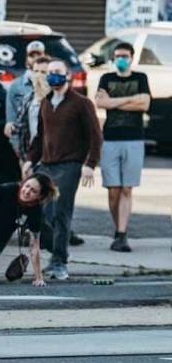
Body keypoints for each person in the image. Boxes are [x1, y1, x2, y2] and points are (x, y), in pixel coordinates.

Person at [23, 58, 102, 281]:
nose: (53, 76)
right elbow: (39, 137)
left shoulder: (81, 103)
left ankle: (59, 261)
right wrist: (30, 159)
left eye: (58, 71)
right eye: (50, 72)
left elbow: (95, 137)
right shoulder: (46, 102)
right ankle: (53, 252)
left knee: (61, 212)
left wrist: (90, 164)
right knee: (43, 214)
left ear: (68, 74)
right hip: (46, 165)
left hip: (70, 165)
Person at [94, 42, 151, 253]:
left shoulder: (141, 78)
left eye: (125, 56)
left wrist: (114, 101)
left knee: (127, 188)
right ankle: (117, 226)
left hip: (134, 139)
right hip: (110, 139)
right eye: (117, 55)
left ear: (131, 57)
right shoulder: (106, 79)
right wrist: (131, 100)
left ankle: (121, 233)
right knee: (113, 190)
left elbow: (145, 104)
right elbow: (100, 103)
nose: (121, 59)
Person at [4, 40, 45, 159]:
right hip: (26, 144)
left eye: (39, 55)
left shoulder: (52, 84)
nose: (35, 58)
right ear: (27, 58)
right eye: (32, 55)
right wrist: (18, 148)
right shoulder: (17, 85)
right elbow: (11, 121)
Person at [12, 55, 51, 168]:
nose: (38, 76)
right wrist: (22, 157)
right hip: (30, 155)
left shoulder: (58, 100)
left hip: (53, 158)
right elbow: (19, 127)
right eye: (36, 71)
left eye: (43, 72)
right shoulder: (28, 99)